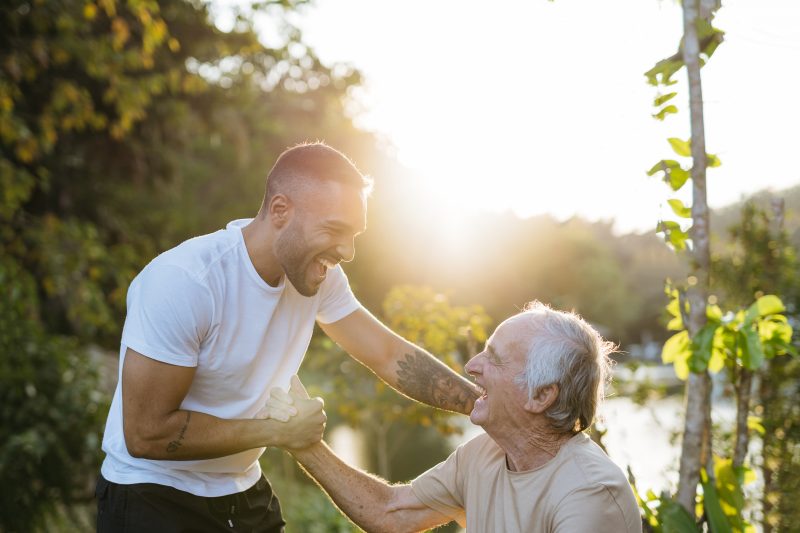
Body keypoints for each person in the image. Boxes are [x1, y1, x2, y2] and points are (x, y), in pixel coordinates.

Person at [96, 142, 480, 532]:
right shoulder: (187, 282)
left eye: (355, 235)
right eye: (334, 230)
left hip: (242, 491)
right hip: (152, 497)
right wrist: (277, 432)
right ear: (280, 211)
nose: (347, 251)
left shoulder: (320, 275)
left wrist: (484, 407)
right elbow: (145, 434)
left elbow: (387, 354)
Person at [269, 302, 643, 533]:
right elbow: (392, 514)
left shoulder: (590, 493)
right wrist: (305, 444)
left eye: (493, 358)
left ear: (542, 395)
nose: (471, 366)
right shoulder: (482, 455)